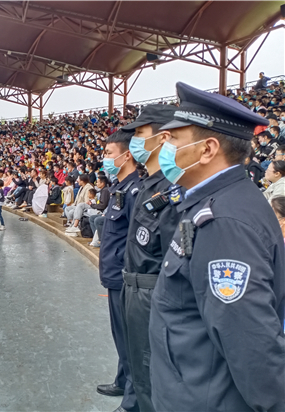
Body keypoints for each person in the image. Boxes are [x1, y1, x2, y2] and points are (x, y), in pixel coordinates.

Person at [149, 82, 285, 412]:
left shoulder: (224, 222)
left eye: (174, 139)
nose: (165, 146)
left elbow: (251, 344)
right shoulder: (217, 202)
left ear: (207, 149)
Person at [117, 104, 181, 412]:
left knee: (150, 373)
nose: (134, 141)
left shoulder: (171, 189)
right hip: (134, 287)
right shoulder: (148, 184)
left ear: (162, 138)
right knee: (138, 368)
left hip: (152, 292)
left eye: (140, 133)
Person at [96, 129, 141, 412]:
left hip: (124, 277)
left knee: (130, 340)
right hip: (114, 276)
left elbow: (137, 239)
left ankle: (133, 401)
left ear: (127, 156)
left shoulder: (135, 190)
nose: (104, 158)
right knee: (120, 336)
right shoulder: (120, 188)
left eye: (109, 153)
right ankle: (122, 381)